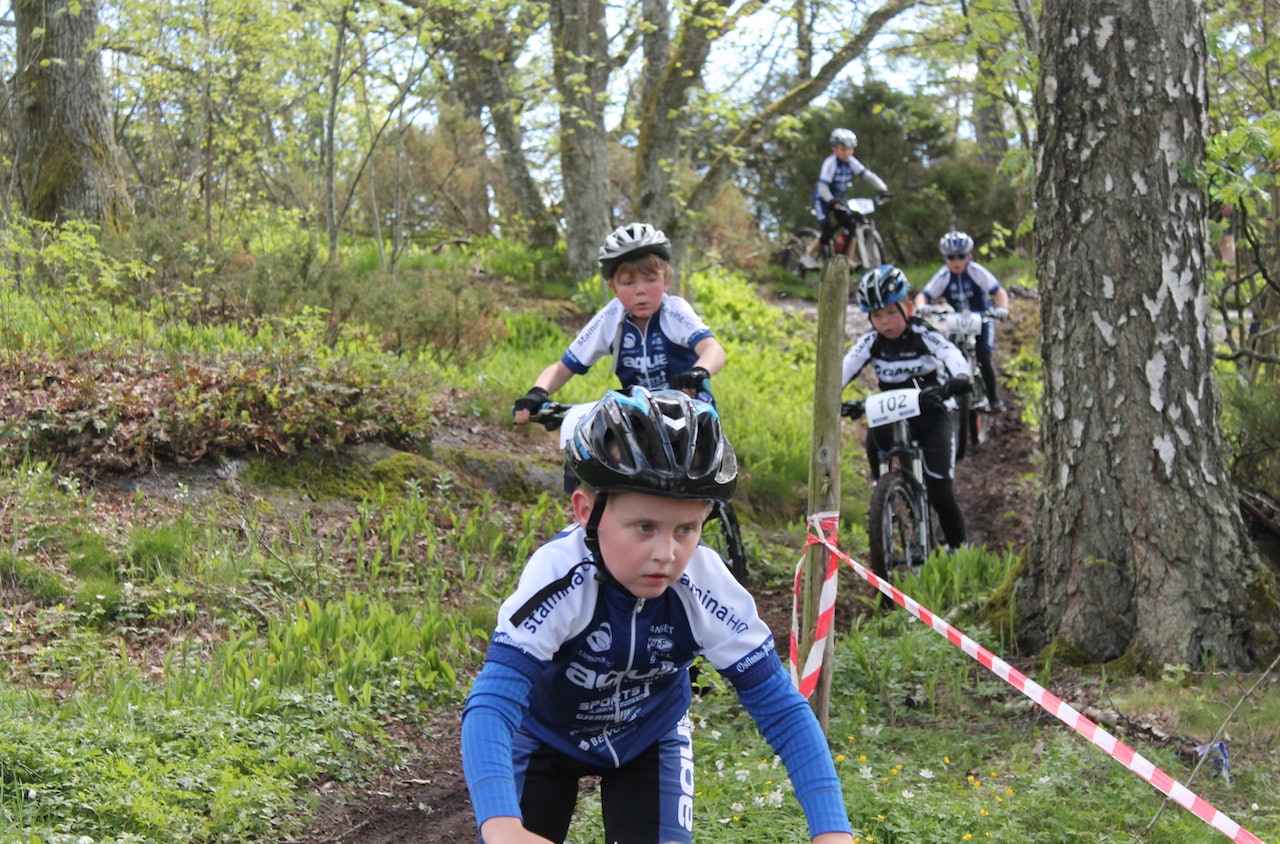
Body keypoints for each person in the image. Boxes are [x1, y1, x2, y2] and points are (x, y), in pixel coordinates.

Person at [462, 387, 856, 844]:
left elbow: (780, 707)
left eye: (686, 529)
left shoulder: (705, 584)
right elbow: (491, 703)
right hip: (543, 736)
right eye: (645, 527)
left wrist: (832, 830)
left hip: (648, 737)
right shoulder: (559, 574)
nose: (666, 555)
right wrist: (501, 824)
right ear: (587, 512)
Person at [512, 223, 726, 424]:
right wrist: (537, 392)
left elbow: (713, 349)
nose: (640, 290)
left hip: (691, 414)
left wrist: (699, 371)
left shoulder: (674, 310)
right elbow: (563, 367)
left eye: (650, 280)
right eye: (628, 283)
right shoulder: (611, 317)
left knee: (695, 456)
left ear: (666, 281)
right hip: (641, 419)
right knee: (606, 454)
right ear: (613, 288)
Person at [844, 265, 971, 551]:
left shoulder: (922, 333)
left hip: (930, 412)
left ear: (908, 307)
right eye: (877, 315)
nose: (885, 321)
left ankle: (959, 552)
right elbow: (842, 369)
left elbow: (951, 353)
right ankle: (883, 494)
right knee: (874, 433)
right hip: (890, 412)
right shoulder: (870, 342)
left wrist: (961, 376)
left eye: (891, 312)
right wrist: (828, 398)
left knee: (940, 491)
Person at [913, 231, 1010, 412]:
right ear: (945, 258)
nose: (956, 261)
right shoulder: (943, 276)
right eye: (951, 257)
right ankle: (947, 396)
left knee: (983, 356)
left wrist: (1002, 309)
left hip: (982, 317)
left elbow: (999, 291)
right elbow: (923, 295)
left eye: (961, 256)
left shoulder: (977, 272)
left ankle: (994, 399)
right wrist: (922, 306)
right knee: (948, 354)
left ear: (969, 256)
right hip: (957, 319)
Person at [799, 127, 891, 270]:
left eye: (851, 149)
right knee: (827, 230)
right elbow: (822, 187)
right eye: (844, 149)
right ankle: (808, 256)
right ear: (835, 149)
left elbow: (867, 175)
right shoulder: (830, 163)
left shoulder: (851, 162)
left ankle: (848, 259)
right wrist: (831, 201)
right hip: (823, 199)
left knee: (852, 225)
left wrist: (883, 189)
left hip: (838, 199)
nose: (848, 153)